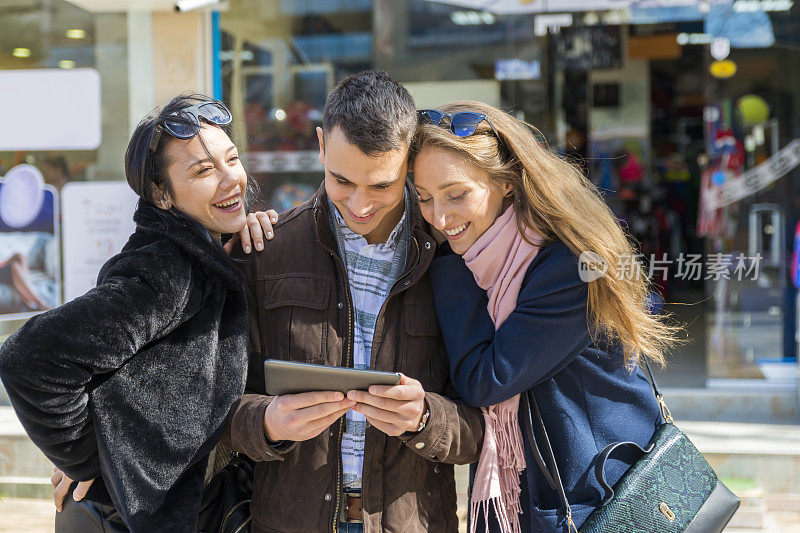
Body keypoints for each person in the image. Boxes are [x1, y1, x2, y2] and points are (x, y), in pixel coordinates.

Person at [222, 70, 485, 533]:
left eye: (381, 185)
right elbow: (212, 408)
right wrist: (267, 422)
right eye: (341, 180)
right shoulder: (265, 252)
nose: (360, 205)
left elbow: (487, 429)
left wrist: (426, 417)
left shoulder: (456, 259)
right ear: (321, 145)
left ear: (410, 160)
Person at [0, 94, 277, 532]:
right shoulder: (168, 269)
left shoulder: (203, 253)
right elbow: (28, 358)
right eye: (204, 171)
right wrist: (93, 459)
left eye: (232, 160)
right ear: (161, 194)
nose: (232, 181)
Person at [410, 101, 683, 532]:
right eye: (423, 198)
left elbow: (486, 379)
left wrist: (446, 260)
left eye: (457, 194)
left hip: (597, 503)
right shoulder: (488, 260)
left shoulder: (568, 268)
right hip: (543, 503)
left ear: (508, 183)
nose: (439, 217)